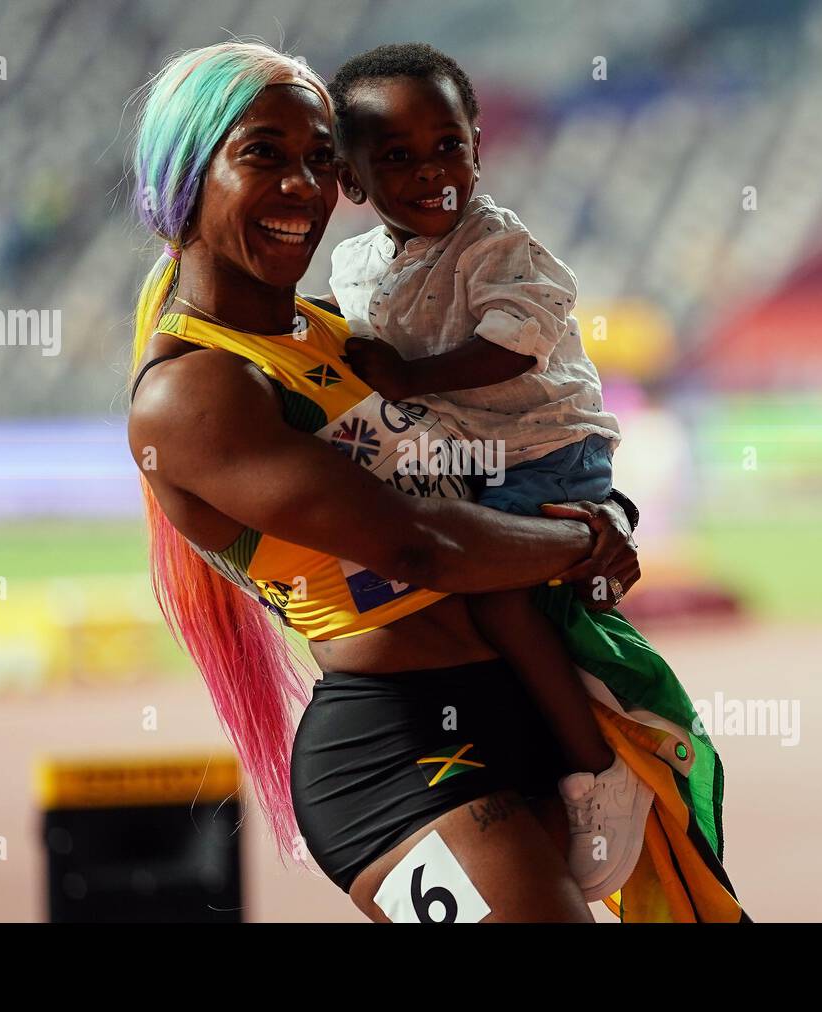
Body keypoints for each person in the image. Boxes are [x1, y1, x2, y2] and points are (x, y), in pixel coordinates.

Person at [126, 40, 745, 923]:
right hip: (398, 756)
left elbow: (523, 426)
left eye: (317, 158)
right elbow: (424, 544)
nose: (301, 187)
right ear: (182, 177)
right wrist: (585, 541)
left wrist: (606, 507)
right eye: (262, 154)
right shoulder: (192, 390)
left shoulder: (337, 333)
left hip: (527, 702)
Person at [325, 42, 652, 897]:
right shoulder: (352, 268)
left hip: (545, 448)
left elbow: (515, 342)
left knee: (501, 592)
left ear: (478, 147)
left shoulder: (496, 243)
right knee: (475, 596)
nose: (431, 170)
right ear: (350, 181)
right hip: (464, 461)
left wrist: (412, 378)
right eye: (395, 156)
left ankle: (597, 767)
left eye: (449, 145)